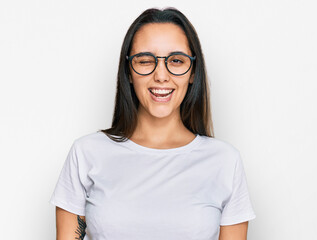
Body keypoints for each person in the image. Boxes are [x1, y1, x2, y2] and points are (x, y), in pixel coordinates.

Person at [49, 7, 256, 240]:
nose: (161, 75)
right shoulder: (86, 153)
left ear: (193, 73)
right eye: (146, 60)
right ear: (128, 71)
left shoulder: (225, 161)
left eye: (176, 61)